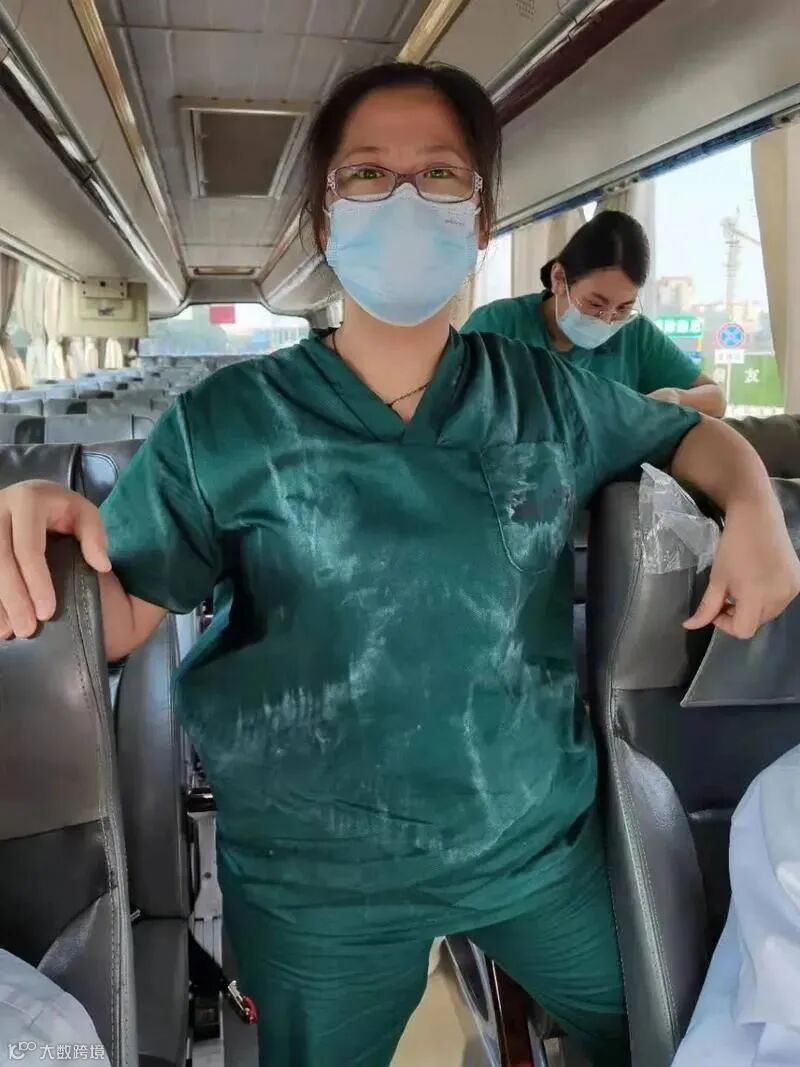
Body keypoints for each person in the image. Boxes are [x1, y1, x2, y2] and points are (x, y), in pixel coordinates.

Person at [0, 62, 796, 1067]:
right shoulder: (224, 424)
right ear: (323, 217)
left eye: (440, 174)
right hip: (318, 877)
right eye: (368, 174)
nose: (406, 199)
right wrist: (41, 535)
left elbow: (691, 437)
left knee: (676, 1034)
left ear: (481, 217)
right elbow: (120, 617)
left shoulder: (545, 395)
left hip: (531, 843)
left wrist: (753, 508)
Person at [461, 211, 726, 416]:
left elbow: (716, 399)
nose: (608, 319)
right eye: (595, 304)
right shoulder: (497, 325)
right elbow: (451, 405)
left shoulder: (635, 336)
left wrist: (677, 398)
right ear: (559, 279)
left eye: (623, 308)